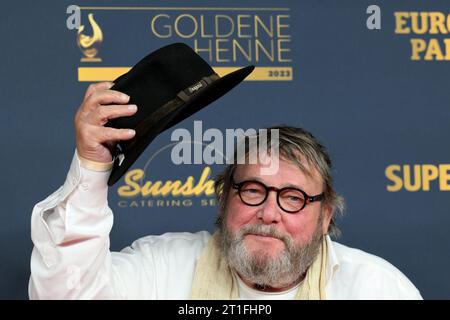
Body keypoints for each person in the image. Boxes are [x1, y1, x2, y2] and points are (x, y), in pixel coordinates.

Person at [29, 82, 422, 300]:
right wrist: (92, 167)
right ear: (224, 199)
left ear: (325, 218)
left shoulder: (378, 289)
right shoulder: (162, 267)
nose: (269, 213)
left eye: (293, 198)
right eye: (253, 191)